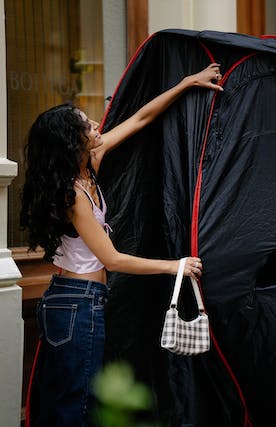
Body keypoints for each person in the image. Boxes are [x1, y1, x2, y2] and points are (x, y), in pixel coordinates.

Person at [20, 63, 223, 427]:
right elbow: (111, 259)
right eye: (85, 125)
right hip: (76, 305)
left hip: (73, 301)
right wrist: (174, 265)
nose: (96, 125)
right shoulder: (72, 193)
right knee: (76, 407)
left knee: (71, 401)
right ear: (70, 139)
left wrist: (186, 83)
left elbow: (141, 119)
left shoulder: (90, 164)